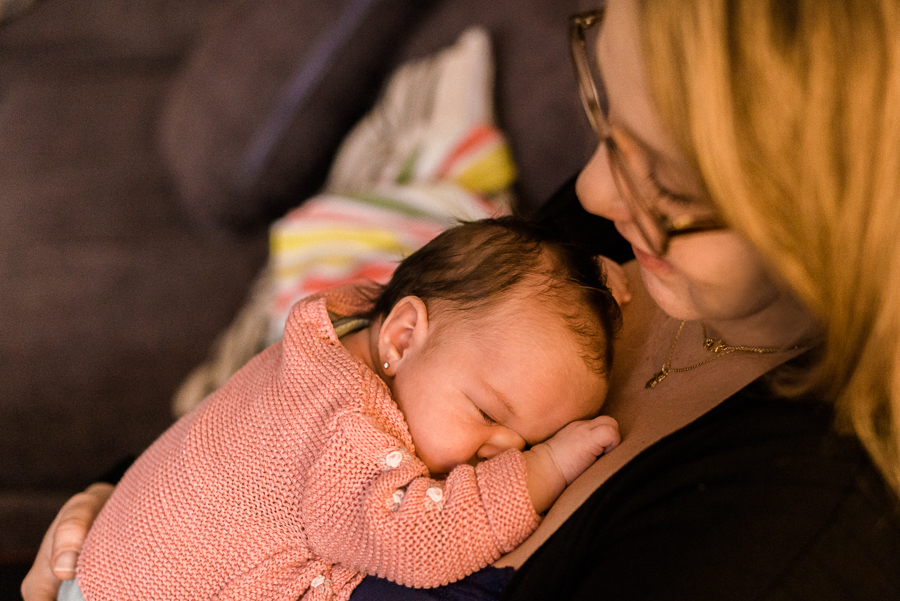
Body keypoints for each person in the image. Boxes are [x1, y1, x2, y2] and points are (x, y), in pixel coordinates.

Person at [23, 0, 900, 599]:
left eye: (660, 178)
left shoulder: (790, 542)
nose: (591, 194)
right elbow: (271, 428)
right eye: (606, 122)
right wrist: (122, 507)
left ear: (828, 213)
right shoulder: (604, 252)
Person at [55, 217, 622, 601]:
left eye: (526, 442)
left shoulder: (329, 338)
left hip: (106, 562)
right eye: (488, 414)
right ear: (401, 339)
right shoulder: (351, 431)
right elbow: (419, 539)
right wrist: (544, 468)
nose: (502, 450)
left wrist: (589, 283)